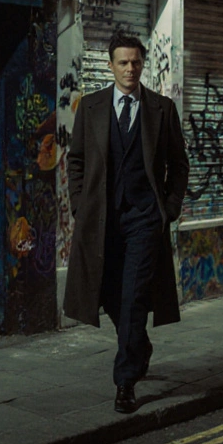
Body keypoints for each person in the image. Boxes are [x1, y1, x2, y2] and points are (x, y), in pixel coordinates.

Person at [63, 32, 189, 414]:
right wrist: (80, 206)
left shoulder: (162, 109)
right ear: (110, 65)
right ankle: (140, 347)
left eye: (135, 62)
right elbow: (77, 160)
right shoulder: (91, 106)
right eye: (122, 62)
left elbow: (178, 165)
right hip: (102, 220)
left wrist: (167, 209)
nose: (130, 68)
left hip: (144, 220)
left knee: (134, 295)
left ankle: (125, 381)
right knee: (112, 296)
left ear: (142, 64)